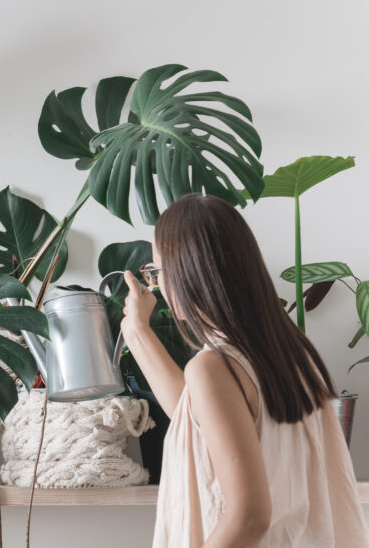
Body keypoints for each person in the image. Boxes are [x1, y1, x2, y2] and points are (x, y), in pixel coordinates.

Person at [121, 193, 369, 548]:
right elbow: (197, 423)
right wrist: (138, 333)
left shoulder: (215, 367)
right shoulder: (293, 353)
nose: (157, 284)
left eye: (157, 272)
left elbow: (249, 516)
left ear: (185, 271)